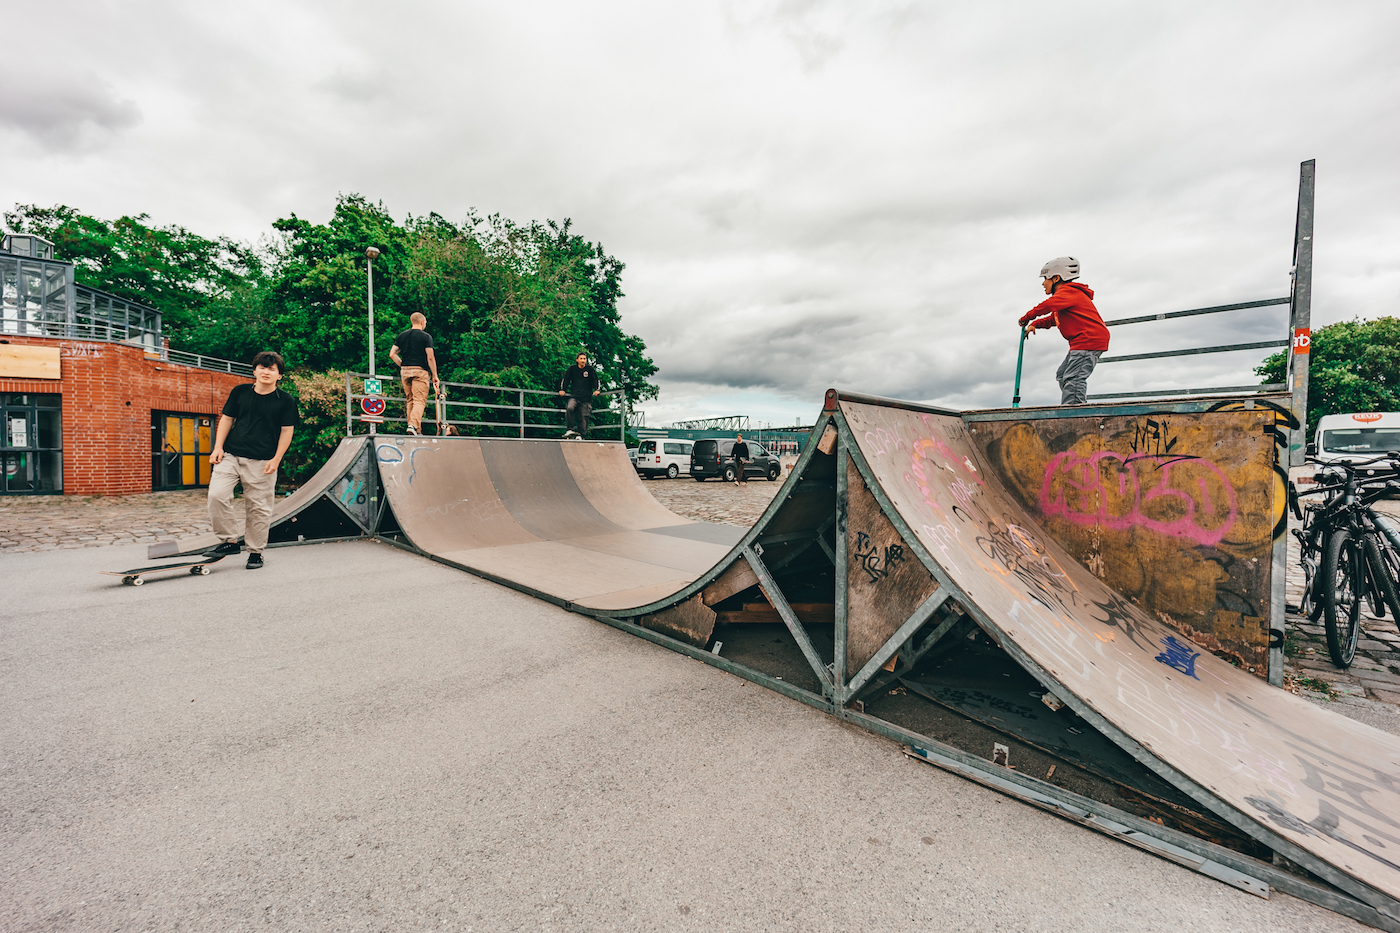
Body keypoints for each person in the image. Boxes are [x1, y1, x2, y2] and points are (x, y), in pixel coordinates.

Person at [207, 351, 300, 570]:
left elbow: (287, 432)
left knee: (259, 508)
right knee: (217, 495)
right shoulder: (240, 392)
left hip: (263, 461)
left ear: (279, 376)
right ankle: (229, 541)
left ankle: (255, 552)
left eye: (271, 369)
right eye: (262, 367)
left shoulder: (285, 401)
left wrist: (277, 459)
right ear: (254, 371)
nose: (266, 372)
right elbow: (227, 419)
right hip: (231, 455)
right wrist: (218, 447)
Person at [1017, 256, 1109, 405]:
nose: (1043, 283)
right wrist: (1035, 324)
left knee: (1074, 378)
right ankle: (1075, 402)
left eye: (1045, 278)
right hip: (1082, 342)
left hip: (1088, 340)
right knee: (1062, 375)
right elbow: (1053, 318)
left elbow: (1047, 306)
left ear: (1056, 278)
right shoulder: (1065, 299)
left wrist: (1027, 316)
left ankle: (1074, 410)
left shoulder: (1068, 292)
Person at [389, 312, 441, 435]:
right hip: (420, 370)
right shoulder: (426, 337)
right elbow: (430, 357)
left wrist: (402, 365)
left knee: (410, 400)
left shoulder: (402, 336)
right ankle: (412, 426)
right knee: (419, 400)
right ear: (422, 322)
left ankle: (415, 429)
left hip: (405, 371)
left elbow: (392, 354)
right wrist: (435, 375)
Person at [557, 351, 600, 439]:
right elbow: (566, 379)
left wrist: (597, 390)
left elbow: (595, 380)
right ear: (577, 360)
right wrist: (562, 389)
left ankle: (581, 435)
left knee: (583, 417)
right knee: (570, 408)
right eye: (581, 359)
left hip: (586, 398)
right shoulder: (572, 369)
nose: (583, 361)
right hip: (575, 396)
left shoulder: (590, 369)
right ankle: (570, 429)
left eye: (584, 359)